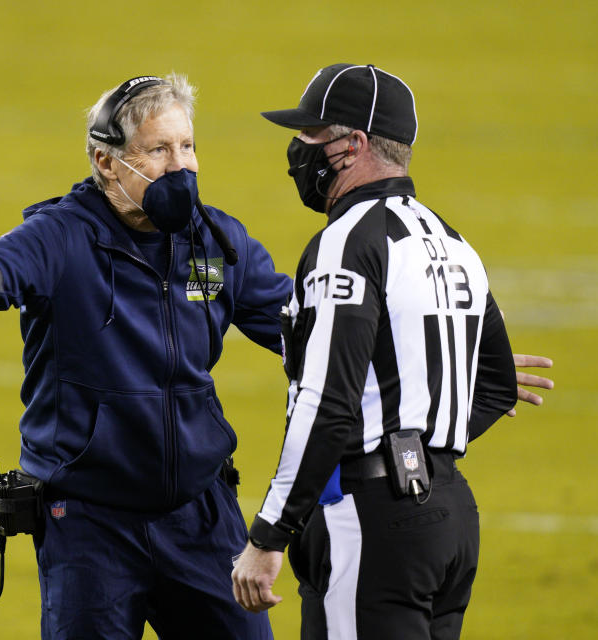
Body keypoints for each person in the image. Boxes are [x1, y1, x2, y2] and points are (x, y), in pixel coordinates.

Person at [0, 73, 289, 640]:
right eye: (159, 149)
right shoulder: (61, 237)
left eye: (188, 145)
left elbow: (302, 325)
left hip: (199, 515)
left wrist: (380, 322)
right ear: (106, 162)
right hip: (90, 528)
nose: (183, 166)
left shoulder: (218, 243)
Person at [231, 63, 552, 639]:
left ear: (351, 145)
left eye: (311, 135)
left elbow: (328, 402)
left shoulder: (347, 241)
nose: (298, 150)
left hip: (371, 519)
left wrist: (269, 534)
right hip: (449, 514)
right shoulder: (452, 241)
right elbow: (499, 383)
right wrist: (423, 430)